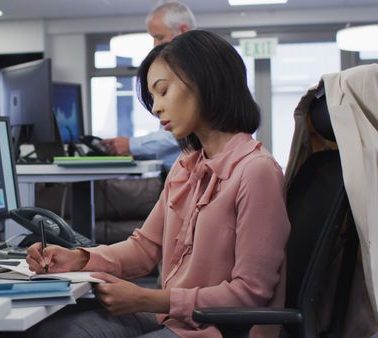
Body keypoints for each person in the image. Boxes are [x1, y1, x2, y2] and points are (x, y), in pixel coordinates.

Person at [25, 30, 291, 338]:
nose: (156, 108)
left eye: (163, 91)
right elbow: (144, 248)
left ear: (206, 82)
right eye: (153, 98)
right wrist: (79, 258)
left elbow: (250, 294)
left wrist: (146, 299)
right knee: (54, 332)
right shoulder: (187, 165)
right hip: (174, 319)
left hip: (219, 332)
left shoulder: (257, 172)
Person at [101, 1, 196, 171]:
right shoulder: (176, 69)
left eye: (159, 37)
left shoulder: (197, 72)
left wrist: (132, 145)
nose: (155, 45)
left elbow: (185, 131)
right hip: (177, 172)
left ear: (183, 30)